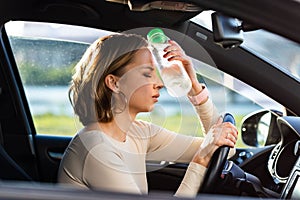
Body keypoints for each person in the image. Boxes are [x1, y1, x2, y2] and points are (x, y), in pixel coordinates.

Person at [57, 33, 238, 198]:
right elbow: (207, 153)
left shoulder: (139, 132)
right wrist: (201, 159)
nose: (159, 83)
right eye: (147, 74)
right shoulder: (96, 149)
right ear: (114, 83)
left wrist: (194, 87)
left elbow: (225, 149)